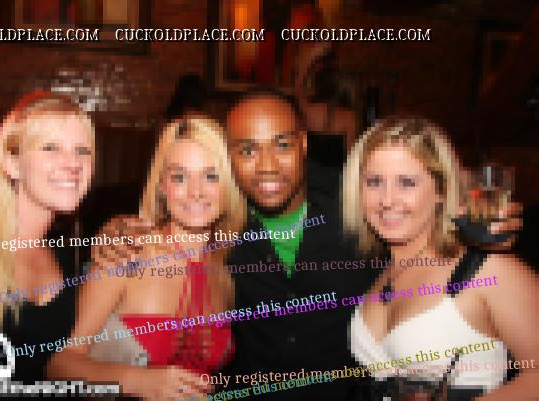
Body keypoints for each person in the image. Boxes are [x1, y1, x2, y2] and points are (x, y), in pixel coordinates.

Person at [48, 116, 246, 400]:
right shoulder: (126, 251)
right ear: (162, 186)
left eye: (211, 176)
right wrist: (137, 380)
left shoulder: (225, 267)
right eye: (179, 177)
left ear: (229, 185)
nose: (196, 191)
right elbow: (59, 366)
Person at [345, 116, 539, 400]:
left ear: (441, 191)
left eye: (406, 182)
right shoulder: (376, 271)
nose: (387, 200)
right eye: (374, 182)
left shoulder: (488, 268)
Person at [223, 88, 375, 400]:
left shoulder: (358, 205)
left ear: (303, 144)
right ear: (229, 157)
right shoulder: (216, 222)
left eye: (282, 145)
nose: (267, 166)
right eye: (248, 150)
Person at [0, 92, 95, 383]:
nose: (73, 163)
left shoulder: (67, 260)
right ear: (12, 163)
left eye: (82, 150)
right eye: (50, 147)